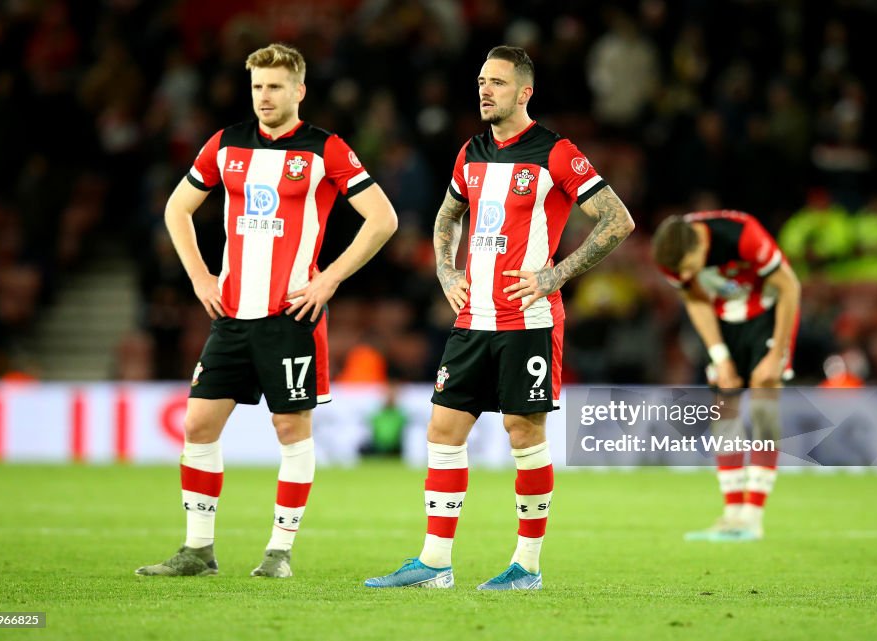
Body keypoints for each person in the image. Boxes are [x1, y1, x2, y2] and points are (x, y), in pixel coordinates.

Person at [365, 46, 634, 590]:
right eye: (482, 81)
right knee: (443, 428)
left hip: (528, 320)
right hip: (473, 318)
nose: (485, 90)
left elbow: (617, 220)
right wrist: (446, 272)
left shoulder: (555, 152)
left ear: (524, 92)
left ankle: (526, 567)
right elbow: (448, 214)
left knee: (522, 432)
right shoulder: (472, 150)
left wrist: (555, 276)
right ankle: (435, 562)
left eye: (498, 83)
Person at [135, 43, 398, 578]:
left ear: (299, 91)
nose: (264, 96)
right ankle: (198, 550)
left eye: (275, 86)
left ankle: (279, 552)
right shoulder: (226, 145)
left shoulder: (325, 149)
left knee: (290, 429)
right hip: (232, 315)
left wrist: (328, 278)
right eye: (257, 86)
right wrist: (200, 276)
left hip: (290, 316)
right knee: (198, 425)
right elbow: (176, 208)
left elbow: (383, 218)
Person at [652, 210, 800, 541]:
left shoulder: (743, 234)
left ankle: (753, 515)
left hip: (767, 312)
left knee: (763, 400)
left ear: (701, 244)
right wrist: (720, 357)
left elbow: (790, 286)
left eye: (691, 266)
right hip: (723, 317)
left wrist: (776, 355)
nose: (686, 274)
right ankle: (732, 513)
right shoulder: (671, 257)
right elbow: (694, 299)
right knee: (724, 405)